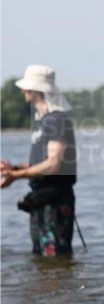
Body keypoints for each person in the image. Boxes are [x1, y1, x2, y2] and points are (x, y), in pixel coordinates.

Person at [0, 65, 78, 256]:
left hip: (56, 200)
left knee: (55, 257)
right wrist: (13, 169)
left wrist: (16, 175)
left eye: (26, 87)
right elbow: (40, 164)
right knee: (41, 256)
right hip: (40, 198)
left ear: (35, 90)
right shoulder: (42, 121)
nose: (23, 91)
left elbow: (53, 164)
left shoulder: (57, 119)